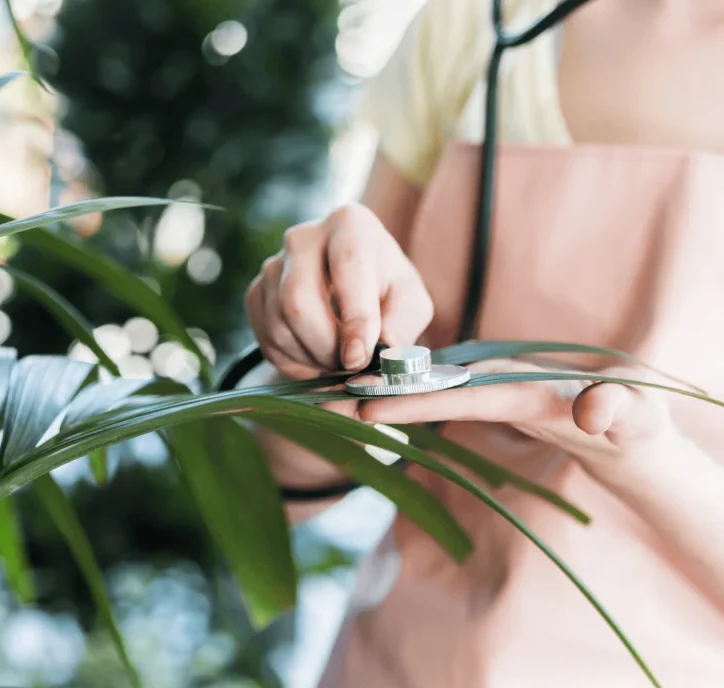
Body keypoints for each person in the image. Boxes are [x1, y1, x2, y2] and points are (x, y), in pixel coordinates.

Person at [242, 0, 724, 685]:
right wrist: (309, 349)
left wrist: (648, 463)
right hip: (404, 659)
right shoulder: (471, 22)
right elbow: (283, 488)